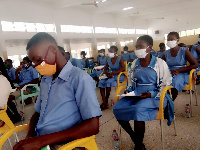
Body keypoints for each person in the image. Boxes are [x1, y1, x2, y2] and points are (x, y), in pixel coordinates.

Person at [13, 32, 102, 150]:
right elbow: (38, 113)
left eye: (39, 60)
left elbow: (93, 126)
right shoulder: (46, 79)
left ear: (53, 50)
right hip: (44, 140)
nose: (37, 66)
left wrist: (41, 141)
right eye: (34, 62)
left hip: (67, 143)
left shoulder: (79, 79)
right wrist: (30, 137)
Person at [113, 35, 172, 150]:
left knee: (138, 109)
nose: (137, 49)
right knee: (116, 108)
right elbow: (130, 82)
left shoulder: (160, 63)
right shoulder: (134, 64)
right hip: (137, 93)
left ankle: (138, 145)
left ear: (149, 48)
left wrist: (152, 94)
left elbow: (167, 83)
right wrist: (128, 90)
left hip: (156, 95)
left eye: (141, 46)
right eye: (136, 46)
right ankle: (136, 139)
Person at [162, 32, 198, 100]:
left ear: (177, 40)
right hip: (169, 72)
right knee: (160, 82)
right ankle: (162, 102)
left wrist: (178, 70)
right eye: (168, 40)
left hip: (182, 72)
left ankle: (168, 104)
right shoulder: (165, 53)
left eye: (172, 40)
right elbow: (161, 65)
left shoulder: (184, 51)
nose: (170, 41)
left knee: (173, 83)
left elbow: (195, 64)